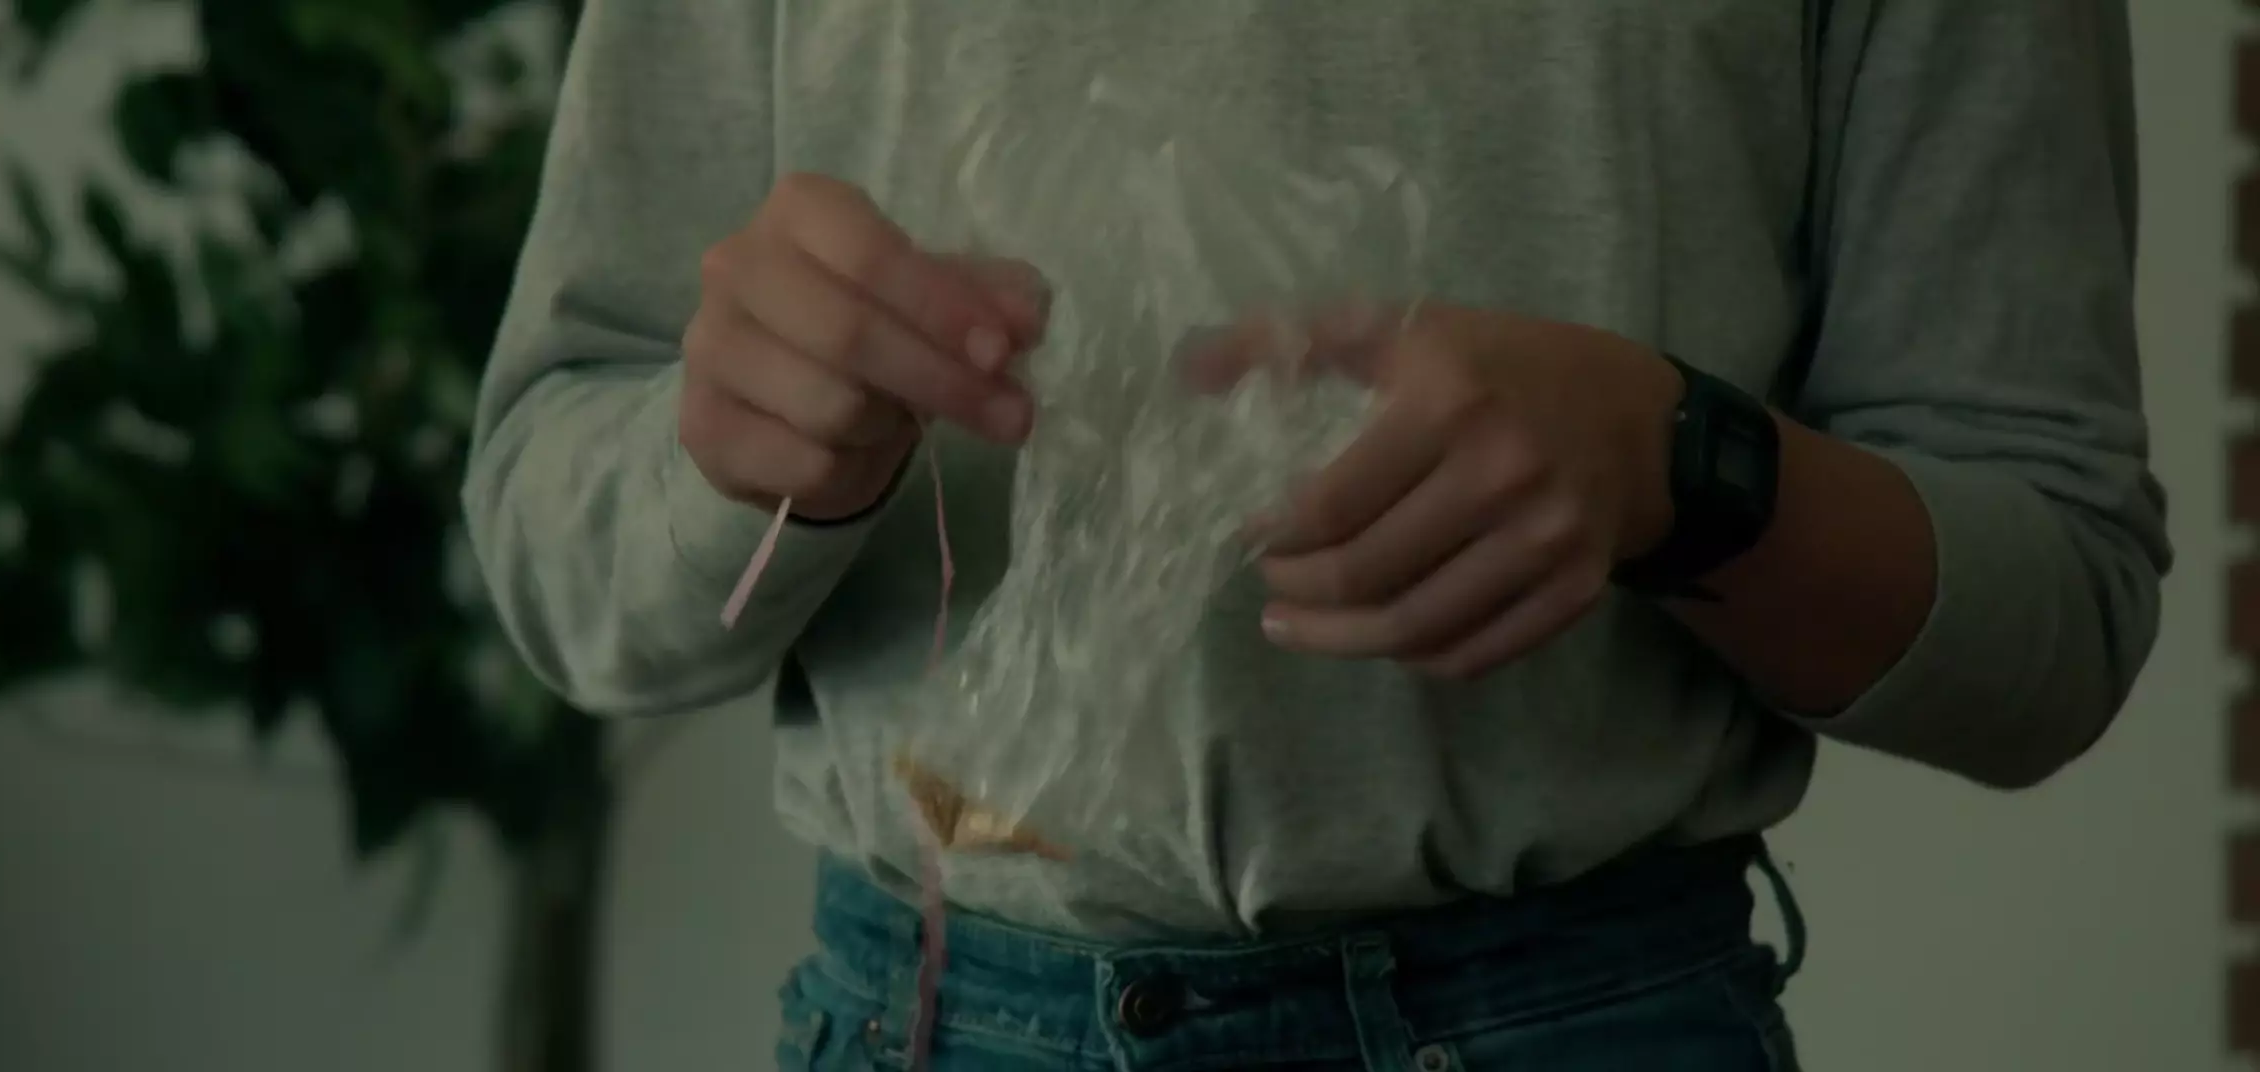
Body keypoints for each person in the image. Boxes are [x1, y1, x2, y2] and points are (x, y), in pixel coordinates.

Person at [464, 2, 2170, 1068]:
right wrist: (744, 460)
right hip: (929, 1010)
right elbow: (553, 535)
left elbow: (2058, 606)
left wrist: (1679, 467)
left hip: (1574, 1022)